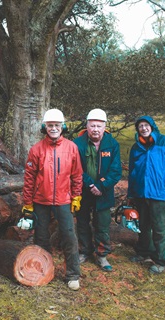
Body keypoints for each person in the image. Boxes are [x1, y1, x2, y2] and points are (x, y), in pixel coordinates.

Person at [23, 109, 83, 290]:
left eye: (57, 125)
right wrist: (27, 202)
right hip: (41, 200)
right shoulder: (36, 149)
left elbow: (77, 175)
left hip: (64, 199)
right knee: (41, 237)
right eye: (50, 125)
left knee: (69, 236)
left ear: (62, 126)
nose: (54, 128)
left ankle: (73, 274)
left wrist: (76, 196)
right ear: (45, 127)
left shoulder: (71, 148)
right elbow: (29, 178)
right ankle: (43, 270)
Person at [128, 115, 165, 274]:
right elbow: (132, 172)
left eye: (146, 125)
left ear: (152, 127)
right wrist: (131, 193)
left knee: (159, 228)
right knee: (143, 225)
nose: (144, 128)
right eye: (140, 126)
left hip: (159, 193)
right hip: (141, 193)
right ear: (138, 129)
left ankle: (162, 259)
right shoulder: (136, 147)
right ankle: (143, 253)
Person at [73, 109, 122, 272]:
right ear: (86, 125)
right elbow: (75, 168)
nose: (95, 129)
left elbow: (116, 171)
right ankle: (84, 251)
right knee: (82, 221)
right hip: (83, 190)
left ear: (104, 127)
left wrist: (101, 185)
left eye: (99, 126)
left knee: (102, 223)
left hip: (104, 192)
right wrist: (90, 184)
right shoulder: (77, 144)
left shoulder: (112, 144)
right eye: (92, 125)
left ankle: (102, 255)